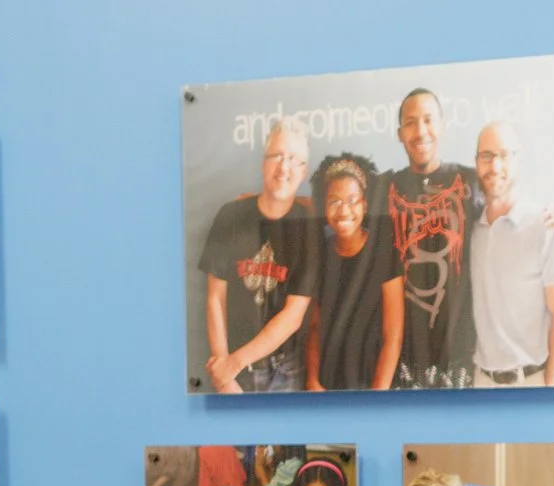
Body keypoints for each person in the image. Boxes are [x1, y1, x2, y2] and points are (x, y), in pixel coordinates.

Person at [199, 117, 320, 394]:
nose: (284, 167)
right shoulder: (230, 216)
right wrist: (225, 375)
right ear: (263, 163)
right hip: (231, 368)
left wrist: (233, 364)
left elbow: (293, 316)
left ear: (304, 171)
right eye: (276, 156)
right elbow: (215, 298)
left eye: (294, 159)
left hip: (285, 372)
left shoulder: (309, 229)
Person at [375, 88, 483, 389]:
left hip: (460, 356)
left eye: (428, 120)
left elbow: (506, 209)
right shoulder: (384, 186)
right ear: (399, 134)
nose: (420, 131)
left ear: (442, 125)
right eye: (410, 123)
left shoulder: (471, 180)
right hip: (403, 358)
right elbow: (340, 198)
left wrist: (549, 219)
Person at [468, 122, 554, 387]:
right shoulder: (472, 231)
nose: (495, 165)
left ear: (519, 162)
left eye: (504, 155)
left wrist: (551, 390)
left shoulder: (544, 225)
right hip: (480, 384)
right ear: (476, 163)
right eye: (486, 156)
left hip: (532, 382)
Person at [307, 153, 402, 391]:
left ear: (365, 205)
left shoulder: (384, 254)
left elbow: (393, 335)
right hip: (327, 386)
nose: (344, 210)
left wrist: (376, 395)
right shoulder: (320, 255)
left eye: (352, 200)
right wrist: (313, 381)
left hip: (371, 386)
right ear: (324, 206)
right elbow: (315, 327)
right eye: (334, 202)